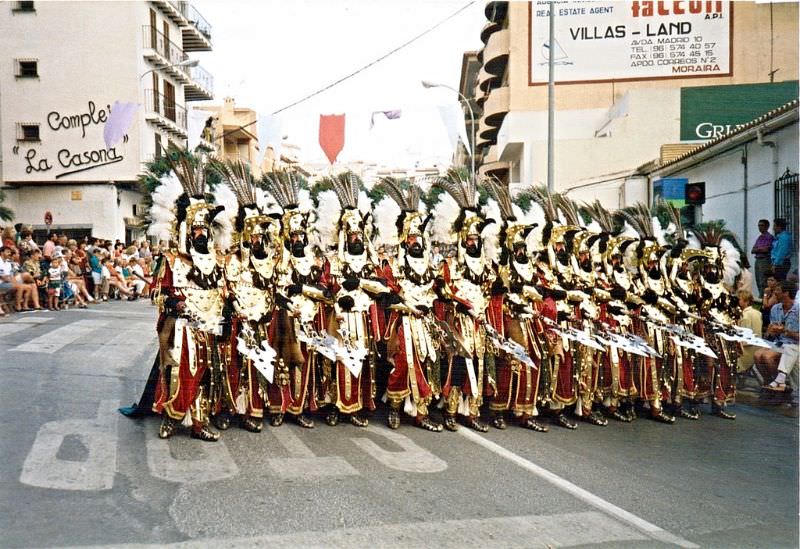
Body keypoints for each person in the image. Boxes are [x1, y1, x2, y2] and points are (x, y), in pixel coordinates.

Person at [757, 281, 799, 392]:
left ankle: (780, 382)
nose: (775, 293)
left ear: (786, 293)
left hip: (793, 344)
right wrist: (771, 331)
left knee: (767, 356)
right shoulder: (776, 308)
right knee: (757, 355)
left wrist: (785, 331)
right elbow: (771, 332)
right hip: (779, 342)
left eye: (778, 290)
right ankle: (769, 382)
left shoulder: (798, 310)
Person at [736, 291, 762, 374]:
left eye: (739, 300)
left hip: (748, 351)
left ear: (746, 301)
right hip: (758, 347)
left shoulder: (744, 315)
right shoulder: (757, 313)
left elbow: (745, 340)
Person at [751, 219, 775, 295]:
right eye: (759, 225)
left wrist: (758, 249)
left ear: (767, 226)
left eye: (762, 225)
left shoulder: (769, 237)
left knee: (763, 280)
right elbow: (753, 250)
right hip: (758, 259)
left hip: (764, 260)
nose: (760, 227)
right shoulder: (760, 237)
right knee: (758, 279)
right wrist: (759, 249)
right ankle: (760, 296)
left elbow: (766, 249)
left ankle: (763, 297)